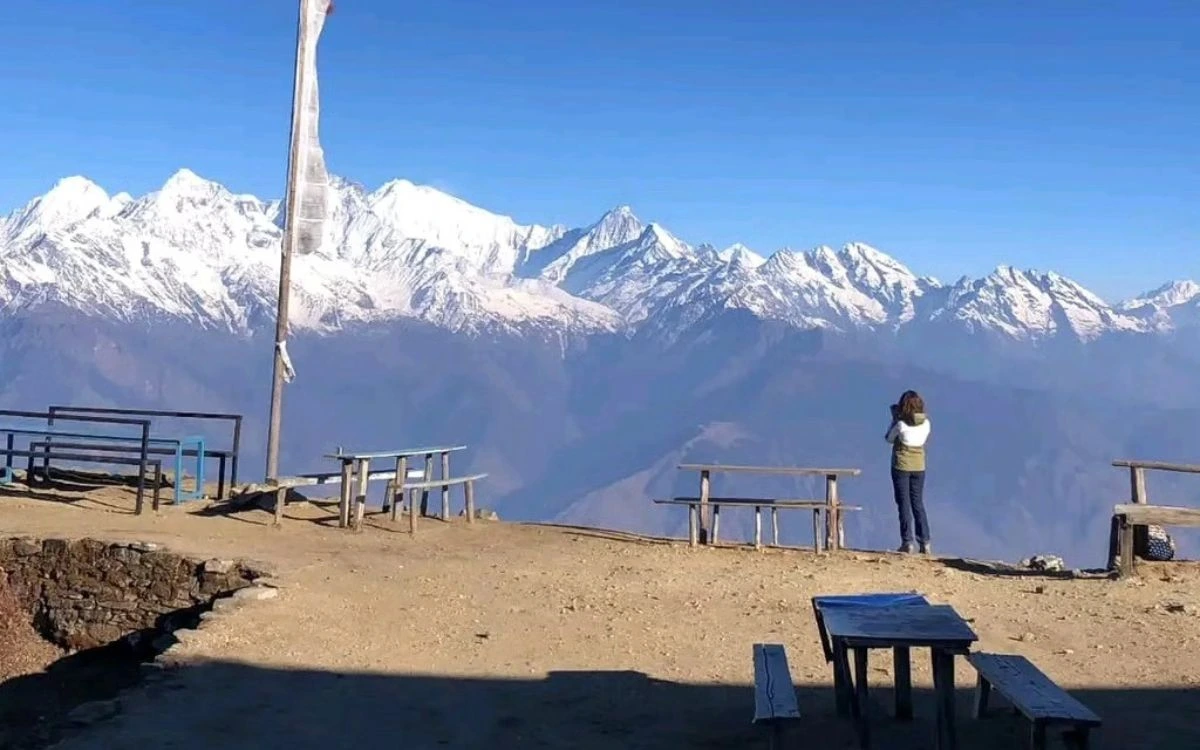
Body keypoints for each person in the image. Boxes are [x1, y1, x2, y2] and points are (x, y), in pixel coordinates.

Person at [885, 390, 931, 554]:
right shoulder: (926, 424)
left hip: (901, 466)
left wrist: (894, 419)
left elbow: (889, 439)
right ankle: (925, 541)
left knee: (904, 504)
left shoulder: (900, 425)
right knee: (918, 503)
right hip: (919, 467)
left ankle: (907, 541)